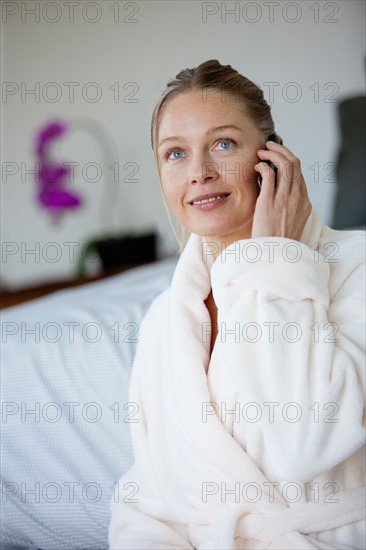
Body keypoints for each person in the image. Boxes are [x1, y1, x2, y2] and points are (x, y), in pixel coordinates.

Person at [108, 59, 365, 549]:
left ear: (273, 157)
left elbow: (304, 441)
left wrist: (274, 260)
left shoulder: (358, 269)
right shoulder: (165, 320)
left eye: (222, 144)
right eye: (175, 153)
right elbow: (152, 498)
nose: (200, 173)